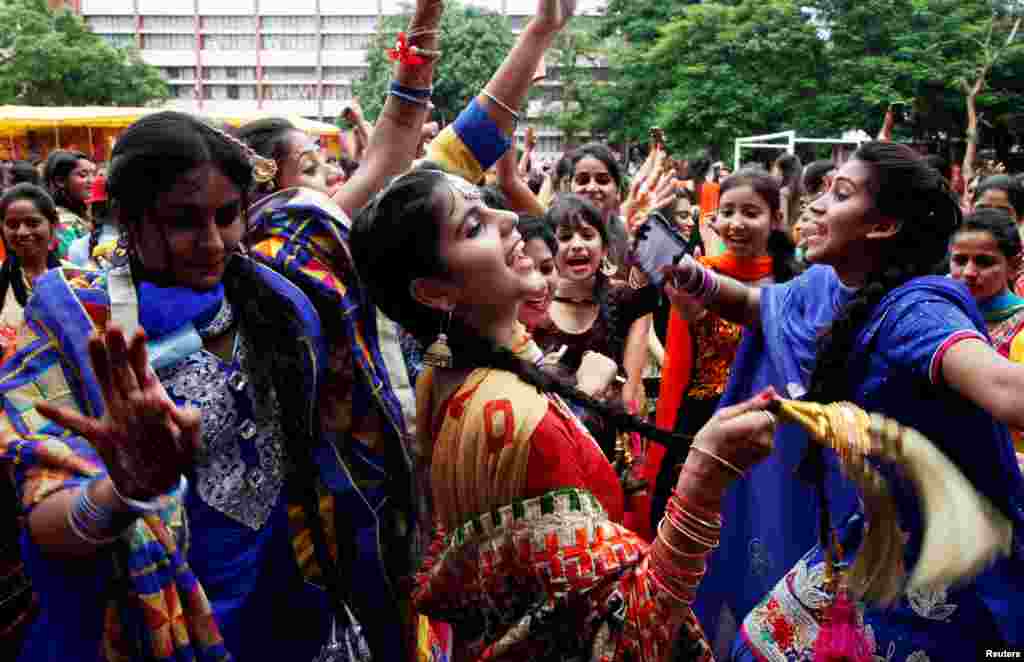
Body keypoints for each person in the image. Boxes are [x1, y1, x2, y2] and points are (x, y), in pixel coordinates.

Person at [0, 111, 415, 662]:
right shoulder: (73, 323)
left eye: (227, 215)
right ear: (127, 219)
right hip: (154, 626)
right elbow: (46, 516)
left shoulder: (282, 301)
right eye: (183, 221)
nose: (214, 241)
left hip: (292, 611)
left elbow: (389, 163)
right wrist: (126, 489)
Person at [350, 165, 781, 662]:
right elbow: (624, 638)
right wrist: (701, 482)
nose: (509, 217)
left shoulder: (444, 371)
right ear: (433, 292)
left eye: (489, 205)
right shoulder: (514, 419)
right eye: (473, 226)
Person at [664, 142, 1024, 660]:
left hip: (950, 564)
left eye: (840, 194)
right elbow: (759, 305)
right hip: (877, 539)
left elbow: (1009, 392)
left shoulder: (916, 312)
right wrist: (691, 275)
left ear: (880, 227)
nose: (814, 205)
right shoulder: (834, 289)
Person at [649, 169, 798, 560]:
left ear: (776, 219)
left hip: (773, 420)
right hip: (705, 417)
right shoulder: (701, 274)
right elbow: (691, 353)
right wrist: (691, 315)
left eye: (750, 212)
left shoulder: (796, 282)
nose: (736, 223)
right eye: (727, 211)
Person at [949, 208, 1024, 453]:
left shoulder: (1021, 328)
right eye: (960, 260)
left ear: (1014, 266)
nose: (969, 272)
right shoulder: (939, 318)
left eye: (984, 262)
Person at [0, 184, 62, 361]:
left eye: (32, 223)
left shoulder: (75, 278)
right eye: (12, 225)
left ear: (53, 224)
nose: (22, 232)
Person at [42, 150, 96, 259]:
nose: (92, 180)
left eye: (93, 174)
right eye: (83, 175)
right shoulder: (62, 222)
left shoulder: (84, 213)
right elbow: (74, 267)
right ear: (60, 181)